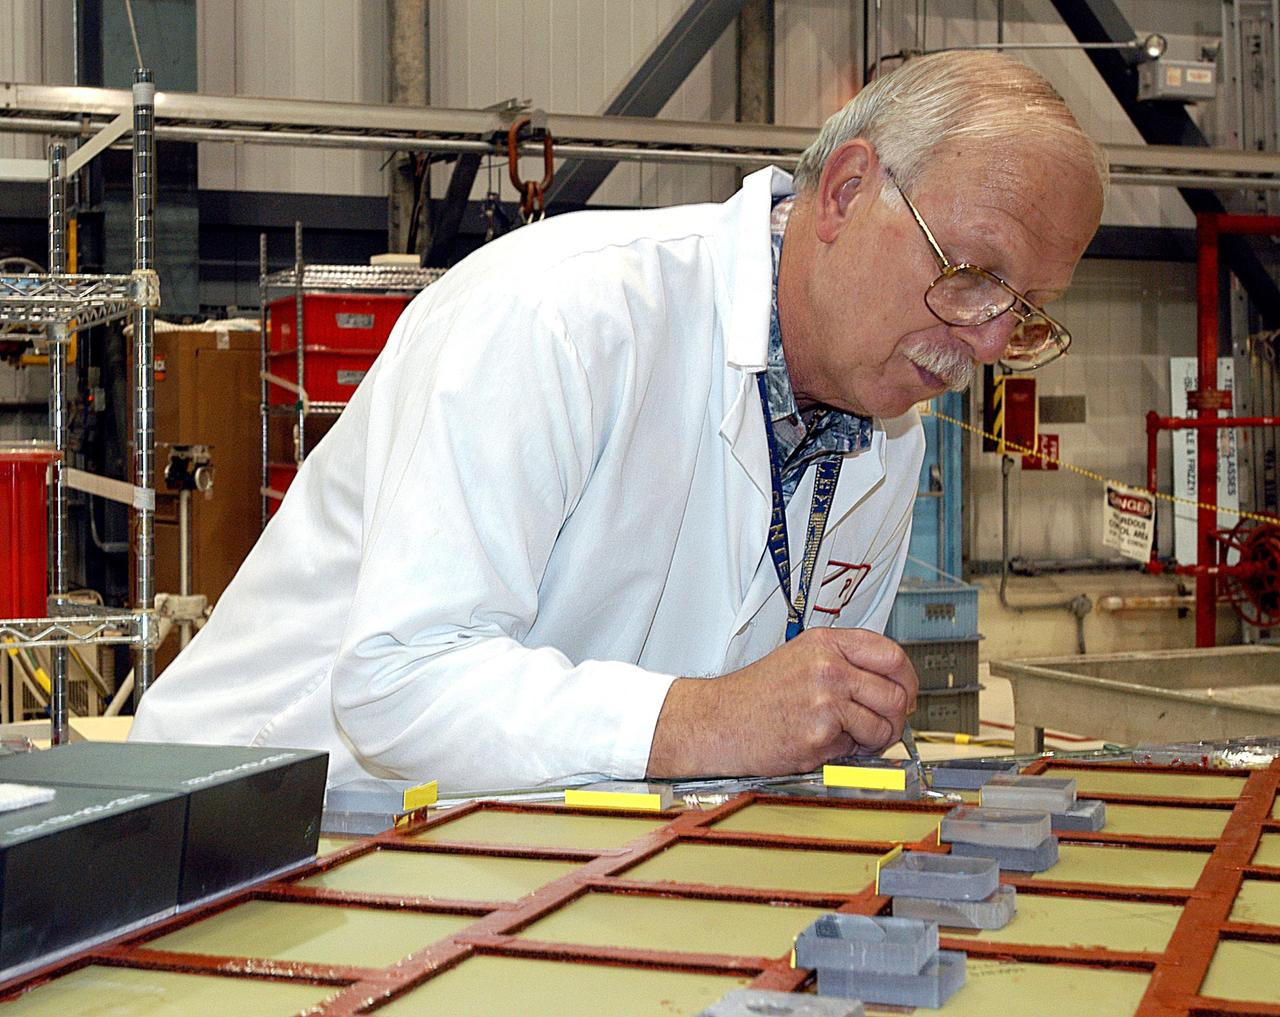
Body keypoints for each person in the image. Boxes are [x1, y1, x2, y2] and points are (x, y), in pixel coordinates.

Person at [130, 51, 1105, 791]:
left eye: (1022, 314)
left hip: (535, 855)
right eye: (973, 274)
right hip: (267, 827)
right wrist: (705, 719)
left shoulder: (885, 435)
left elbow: (766, 728)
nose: (983, 342)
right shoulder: (564, 311)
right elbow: (398, 688)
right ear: (846, 191)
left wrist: (829, 717)